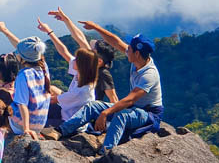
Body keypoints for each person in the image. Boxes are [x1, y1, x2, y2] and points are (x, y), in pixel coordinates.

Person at [40, 22, 163, 153]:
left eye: (129, 49)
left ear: (137, 53)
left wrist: (105, 113)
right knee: (92, 105)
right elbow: (116, 42)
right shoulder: (138, 59)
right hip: (134, 108)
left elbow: (130, 100)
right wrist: (96, 27)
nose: (126, 50)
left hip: (148, 113)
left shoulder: (149, 75)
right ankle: (59, 131)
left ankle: (106, 152)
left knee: (122, 116)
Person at [37, 16, 99, 127]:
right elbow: (64, 51)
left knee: (36, 120)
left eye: (76, 59)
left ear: (81, 65)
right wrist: (49, 31)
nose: (72, 59)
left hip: (68, 123)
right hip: (66, 113)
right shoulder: (83, 75)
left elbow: (51, 100)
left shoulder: (81, 91)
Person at [47, 7, 118, 103]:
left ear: (99, 61)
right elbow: (80, 39)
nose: (89, 50)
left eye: (93, 50)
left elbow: (113, 99)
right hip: (76, 98)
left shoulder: (102, 73)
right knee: (52, 89)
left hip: (86, 107)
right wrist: (65, 20)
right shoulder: (88, 64)